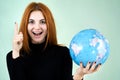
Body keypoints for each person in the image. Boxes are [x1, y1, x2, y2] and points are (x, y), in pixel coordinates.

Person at [6, 2, 101, 80]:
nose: (37, 27)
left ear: (49, 25)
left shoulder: (63, 53)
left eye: (42, 22)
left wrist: (79, 75)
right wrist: (16, 51)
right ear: (25, 25)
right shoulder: (13, 56)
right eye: (31, 22)